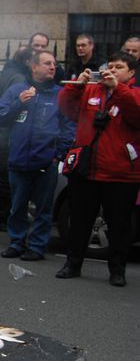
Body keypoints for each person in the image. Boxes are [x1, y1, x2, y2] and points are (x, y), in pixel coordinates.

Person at [56, 52, 140, 287]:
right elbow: (67, 109)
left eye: (119, 67)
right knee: (80, 221)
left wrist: (118, 90)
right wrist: (76, 87)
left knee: (119, 225)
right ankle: (72, 264)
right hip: (87, 169)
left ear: (131, 73)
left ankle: (117, 270)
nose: (112, 71)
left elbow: (136, 114)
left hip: (120, 173)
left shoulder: (133, 93)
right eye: (110, 66)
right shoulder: (92, 91)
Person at [0, 50, 74, 263]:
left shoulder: (60, 94)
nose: (52, 67)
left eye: (54, 64)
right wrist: (18, 103)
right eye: (47, 63)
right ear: (34, 67)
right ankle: (17, 243)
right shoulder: (17, 90)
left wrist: (58, 154)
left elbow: (69, 126)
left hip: (46, 162)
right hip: (18, 160)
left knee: (44, 209)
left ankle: (37, 246)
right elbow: (0, 118)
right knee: (17, 206)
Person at [0, 46, 33, 232]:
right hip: (7, 135)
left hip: (0, 134)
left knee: (0, 178)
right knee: (5, 179)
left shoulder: (6, 73)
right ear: (28, 62)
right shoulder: (19, 79)